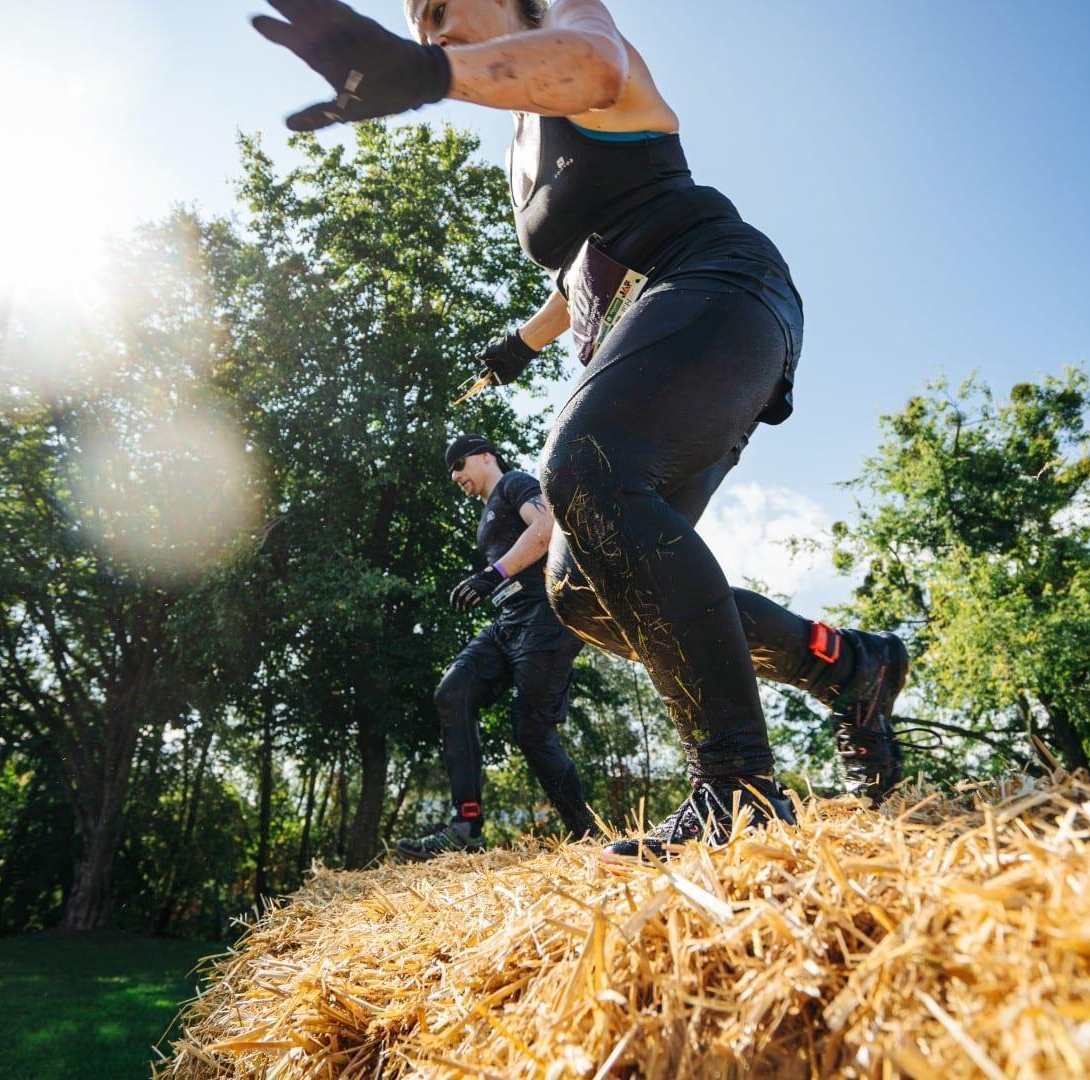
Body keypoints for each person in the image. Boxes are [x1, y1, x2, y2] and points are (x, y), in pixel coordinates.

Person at [253, 0, 909, 860]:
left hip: (719, 285)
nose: (428, 31)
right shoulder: (521, 141)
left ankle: (738, 785)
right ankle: (849, 667)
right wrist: (520, 345)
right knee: (584, 594)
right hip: (666, 326)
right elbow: (587, 272)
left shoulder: (574, 31)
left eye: (440, 8)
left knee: (583, 466)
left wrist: (429, 78)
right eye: (414, 27)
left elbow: (594, 62)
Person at [396, 435, 595, 859]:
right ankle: (465, 826)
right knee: (453, 692)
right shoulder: (486, 514)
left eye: (460, 464)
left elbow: (546, 529)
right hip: (507, 624)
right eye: (450, 470)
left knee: (532, 730)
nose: (455, 475)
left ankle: (589, 837)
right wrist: (494, 579)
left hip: (546, 618)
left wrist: (491, 574)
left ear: (486, 456)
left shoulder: (515, 484)